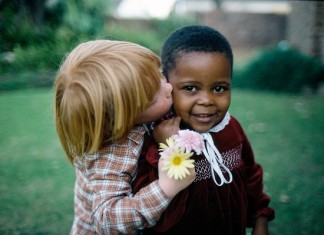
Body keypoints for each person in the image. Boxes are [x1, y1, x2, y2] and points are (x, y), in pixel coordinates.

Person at [132, 25, 275, 235]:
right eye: (190, 88)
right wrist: (169, 149)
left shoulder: (232, 128)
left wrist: (260, 218)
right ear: (167, 84)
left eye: (219, 88)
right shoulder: (156, 136)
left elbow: (251, 175)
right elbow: (153, 211)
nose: (207, 101)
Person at [54, 40, 195, 235]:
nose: (169, 87)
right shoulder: (110, 153)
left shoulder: (140, 118)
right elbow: (106, 219)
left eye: (159, 74)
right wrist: (165, 187)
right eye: (153, 98)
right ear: (122, 118)